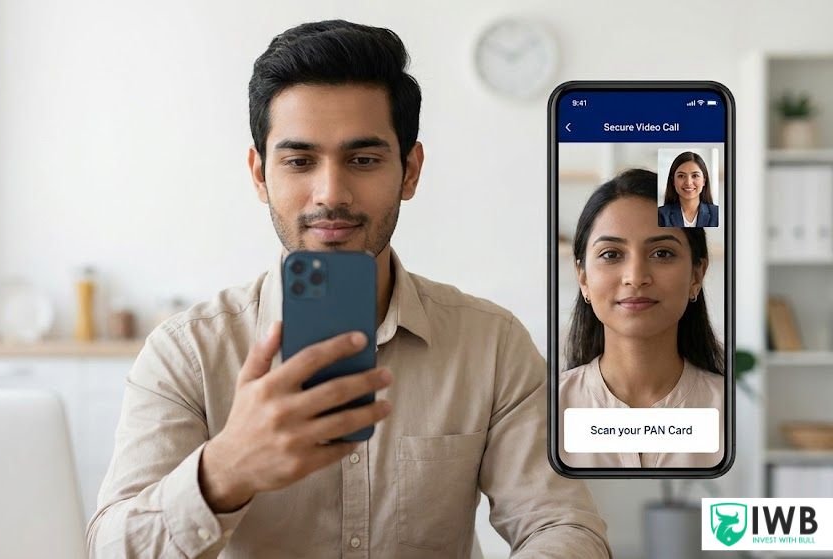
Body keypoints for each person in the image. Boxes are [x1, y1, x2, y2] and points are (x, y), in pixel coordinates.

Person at [86, 20, 611, 558]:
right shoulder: (187, 353)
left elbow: (563, 526)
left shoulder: (492, 344)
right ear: (260, 174)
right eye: (299, 161)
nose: (331, 193)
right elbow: (111, 548)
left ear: (409, 171)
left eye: (363, 160)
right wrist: (225, 469)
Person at [560, 169, 725, 469]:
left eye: (662, 253)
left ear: (697, 274)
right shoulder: (541, 410)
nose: (635, 278)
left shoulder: (735, 411)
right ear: (582, 276)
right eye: (611, 254)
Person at [657, 151, 720, 227]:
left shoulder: (718, 214)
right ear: (673, 181)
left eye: (695, 176)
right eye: (681, 176)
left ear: (704, 181)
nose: (688, 183)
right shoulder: (661, 215)